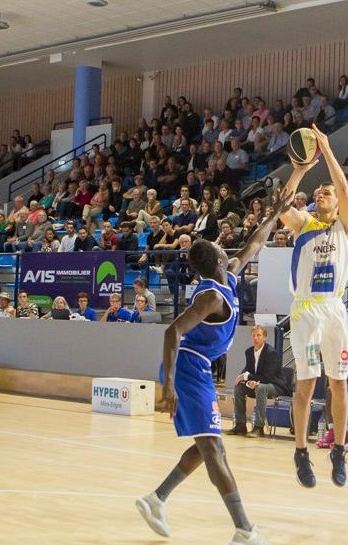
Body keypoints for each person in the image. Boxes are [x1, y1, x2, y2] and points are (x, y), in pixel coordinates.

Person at [135, 186, 287, 545]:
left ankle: (156, 499)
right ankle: (244, 530)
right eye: (221, 247)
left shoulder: (228, 277)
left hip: (197, 369)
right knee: (214, 449)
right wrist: (168, 384)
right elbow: (173, 331)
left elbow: (255, 243)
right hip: (188, 369)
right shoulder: (211, 296)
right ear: (218, 259)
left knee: (209, 446)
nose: (225, 246)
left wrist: (276, 212)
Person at [277, 124, 348, 488]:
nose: (323, 193)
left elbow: (343, 187)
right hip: (306, 309)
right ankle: (300, 452)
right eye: (318, 191)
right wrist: (301, 169)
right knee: (306, 387)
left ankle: (339, 451)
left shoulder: (345, 226)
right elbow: (280, 206)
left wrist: (326, 150)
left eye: (328, 191)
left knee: (338, 385)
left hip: (334, 309)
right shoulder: (303, 223)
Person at [231, 325, 288, 438]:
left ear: (264, 337)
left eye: (259, 335)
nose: (255, 338)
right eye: (253, 335)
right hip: (259, 384)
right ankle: (240, 425)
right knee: (239, 387)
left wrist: (249, 378)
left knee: (261, 387)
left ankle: (258, 427)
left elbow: (267, 378)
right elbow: (248, 371)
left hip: (275, 386)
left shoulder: (271, 353)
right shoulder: (249, 352)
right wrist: (247, 382)